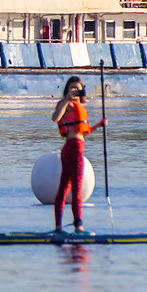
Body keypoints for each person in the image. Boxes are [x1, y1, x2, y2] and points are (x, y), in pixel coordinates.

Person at [51, 76, 106, 235]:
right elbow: (55, 118)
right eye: (72, 88)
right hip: (73, 148)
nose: (75, 91)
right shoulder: (66, 105)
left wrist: (98, 126)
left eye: (78, 88)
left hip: (73, 147)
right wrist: (67, 100)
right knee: (75, 189)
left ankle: (59, 228)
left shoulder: (78, 107)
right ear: (67, 90)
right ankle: (78, 227)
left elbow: (83, 131)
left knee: (65, 188)